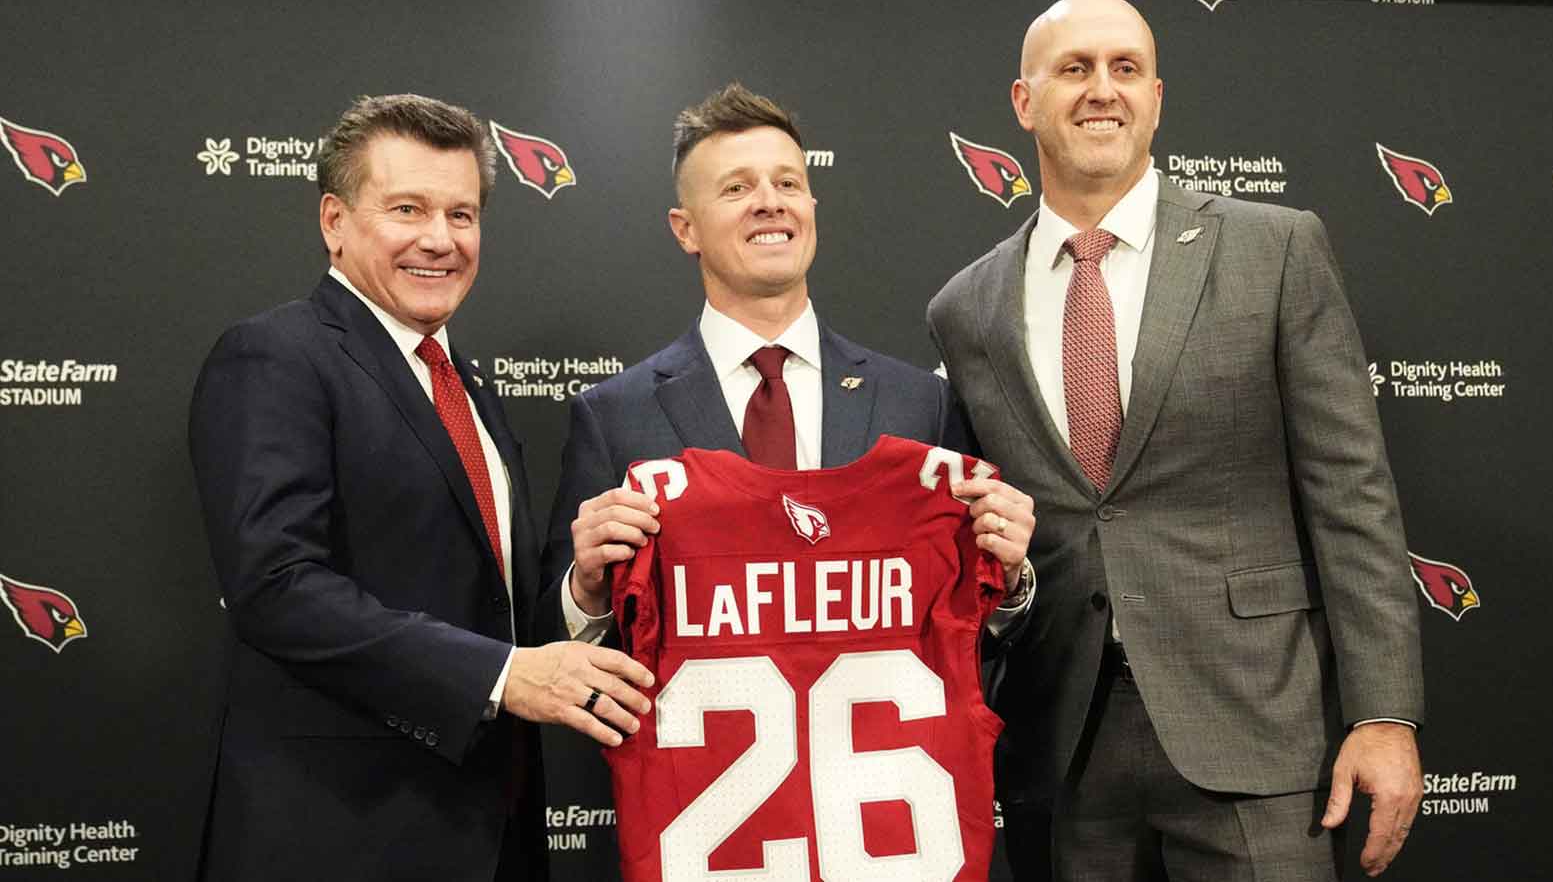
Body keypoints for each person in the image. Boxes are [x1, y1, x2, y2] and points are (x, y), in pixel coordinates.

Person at [927, 0, 1425, 881]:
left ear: (1157, 96)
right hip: (1061, 745)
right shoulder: (965, 309)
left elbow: (1352, 496)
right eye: (1074, 69)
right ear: (1023, 101)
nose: (1101, 91)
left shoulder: (1273, 249)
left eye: (1125, 69)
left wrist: (1384, 714)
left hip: (1256, 730)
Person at [188, 93, 653, 882]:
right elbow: (276, 586)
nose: (440, 240)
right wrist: (505, 677)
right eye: (408, 209)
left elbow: (491, 611)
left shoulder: (464, 383)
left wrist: (581, 587)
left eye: (462, 215)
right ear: (334, 221)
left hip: (489, 834)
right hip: (337, 838)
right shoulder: (275, 357)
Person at [538, 82, 1036, 647]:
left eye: (788, 182)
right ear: (686, 229)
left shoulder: (920, 402)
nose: (769, 201)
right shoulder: (613, 417)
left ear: (811, 208)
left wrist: (1012, 580)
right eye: (736, 188)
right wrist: (585, 591)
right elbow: (558, 646)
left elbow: (977, 634)